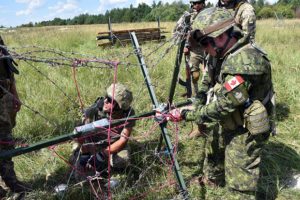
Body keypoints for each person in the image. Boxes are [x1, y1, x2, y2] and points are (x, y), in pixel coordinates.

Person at [164, 7, 275, 199]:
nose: (204, 48)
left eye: (205, 43)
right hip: (230, 116)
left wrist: (185, 114)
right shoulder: (222, 52)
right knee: (213, 148)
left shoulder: (245, 62)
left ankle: (241, 191)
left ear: (221, 36)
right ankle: (213, 179)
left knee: (240, 177)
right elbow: (207, 79)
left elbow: (223, 107)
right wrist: (198, 99)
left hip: (245, 126)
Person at [71, 83, 135, 182]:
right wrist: (85, 153)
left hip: (113, 144)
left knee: (123, 160)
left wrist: (103, 154)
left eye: (110, 100)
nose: (105, 101)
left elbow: (123, 139)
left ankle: (112, 171)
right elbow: (81, 134)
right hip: (94, 143)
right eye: (106, 97)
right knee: (81, 174)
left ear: (120, 106)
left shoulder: (128, 114)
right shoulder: (96, 108)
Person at [0, 36, 31, 198]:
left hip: (3, 95)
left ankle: (10, 180)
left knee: (5, 139)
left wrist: (14, 93)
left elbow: (7, 65)